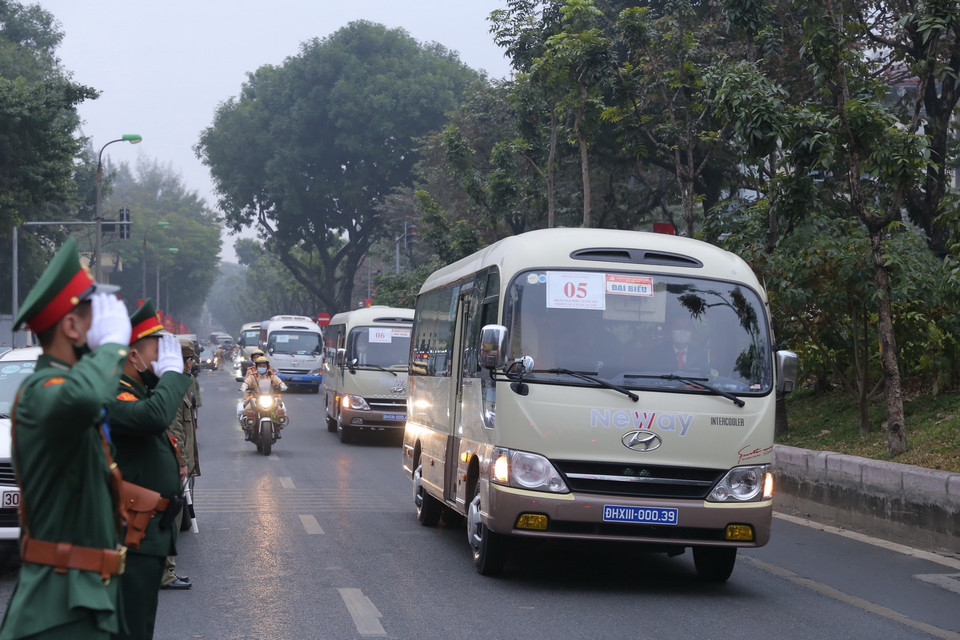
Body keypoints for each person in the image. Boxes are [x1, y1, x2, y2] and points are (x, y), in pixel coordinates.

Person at [0, 238, 131, 640]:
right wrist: (113, 346)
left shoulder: (65, 389)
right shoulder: (41, 391)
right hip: (57, 609)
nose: (106, 325)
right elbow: (86, 396)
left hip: (83, 599)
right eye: (96, 317)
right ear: (72, 327)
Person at [107, 300, 193, 640]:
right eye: (158, 351)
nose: (165, 359)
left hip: (146, 535)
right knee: (130, 629)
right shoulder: (115, 394)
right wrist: (171, 374)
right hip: (131, 535)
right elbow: (155, 417)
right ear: (133, 356)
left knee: (139, 625)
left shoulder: (140, 391)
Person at [160, 339, 201, 591]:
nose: (192, 363)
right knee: (171, 518)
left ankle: (168, 571)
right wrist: (181, 463)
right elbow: (174, 430)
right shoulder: (173, 386)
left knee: (173, 519)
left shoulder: (182, 383)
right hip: (174, 463)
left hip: (178, 461)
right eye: (189, 359)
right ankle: (165, 574)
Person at [239, 355, 287, 440]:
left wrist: (283, 385)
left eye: (264, 366)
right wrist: (244, 387)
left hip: (270, 397)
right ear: (256, 367)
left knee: (280, 410)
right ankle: (248, 429)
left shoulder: (271, 375)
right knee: (246, 410)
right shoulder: (252, 376)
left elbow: (279, 381)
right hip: (255, 398)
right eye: (260, 366)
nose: (262, 367)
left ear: (267, 367)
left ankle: (277, 428)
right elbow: (246, 382)